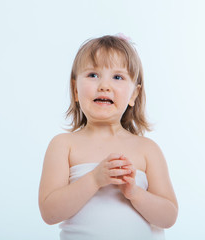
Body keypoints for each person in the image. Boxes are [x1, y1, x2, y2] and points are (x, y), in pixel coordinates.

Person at [38, 34, 178, 240]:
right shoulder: (63, 146)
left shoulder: (147, 149)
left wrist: (134, 193)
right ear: (75, 90)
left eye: (118, 77)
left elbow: (169, 216)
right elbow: (50, 213)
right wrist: (94, 179)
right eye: (93, 75)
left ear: (133, 95)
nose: (104, 85)